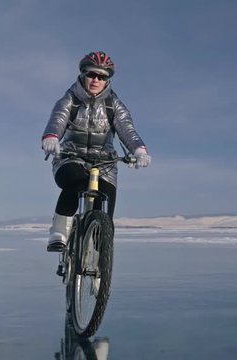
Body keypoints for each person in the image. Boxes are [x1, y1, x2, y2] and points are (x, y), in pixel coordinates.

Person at [41, 51, 151, 252]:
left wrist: (139, 150)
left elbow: (127, 129)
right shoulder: (70, 99)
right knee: (77, 184)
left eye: (102, 77)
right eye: (91, 74)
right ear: (83, 74)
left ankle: (101, 263)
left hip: (105, 163)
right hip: (70, 157)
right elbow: (58, 119)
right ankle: (59, 233)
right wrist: (51, 137)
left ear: (107, 80)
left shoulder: (114, 104)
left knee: (106, 207)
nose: (96, 80)